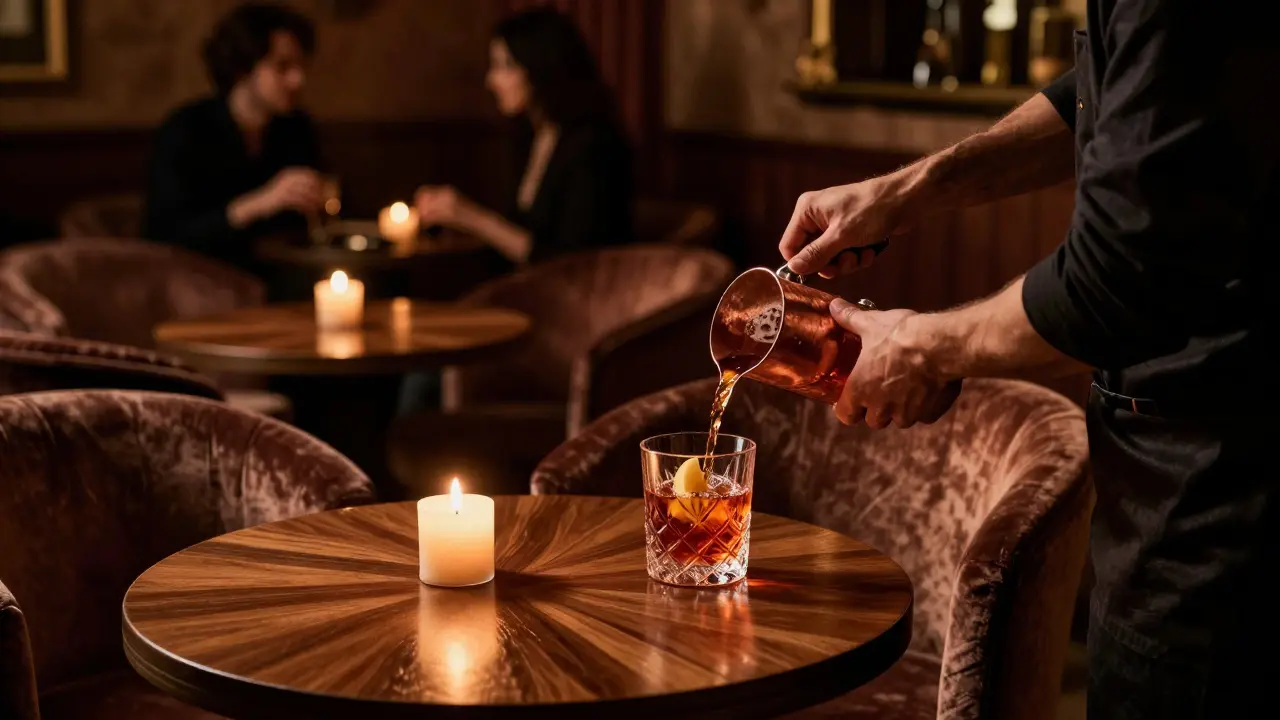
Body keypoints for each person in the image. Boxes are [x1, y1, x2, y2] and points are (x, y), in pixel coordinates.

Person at [778, 2, 1276, 718]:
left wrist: (919, 349)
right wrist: (905, 193)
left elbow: (1114, 279)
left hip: (1228, 487)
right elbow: (1101, 94)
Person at [413, 7, 634, 267]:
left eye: (505, 66)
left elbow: (570, 261)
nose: (492, 80)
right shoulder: (535, 135)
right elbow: (520, 233)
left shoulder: (593, 145)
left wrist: (470, 216)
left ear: (541, 66)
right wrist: (454, 219)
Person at [144, 2, 324, 274]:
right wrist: (261, 202)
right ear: (241, 67)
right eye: (282, 66)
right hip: (197, 278)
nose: (298, 80)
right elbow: (164, 235)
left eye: (300, 66)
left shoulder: (296, 127)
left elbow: (315, 221)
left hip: (282, 274)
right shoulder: (187, 129)